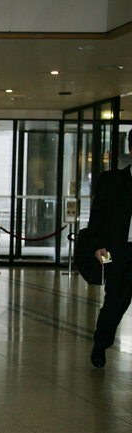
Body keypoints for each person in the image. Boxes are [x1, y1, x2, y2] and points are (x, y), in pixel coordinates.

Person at [87, 130, 132, 368]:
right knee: (115, 301)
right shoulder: (113, 181)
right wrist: (97, 245)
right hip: (118, 251)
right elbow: (98, 217)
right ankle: (101, 344)